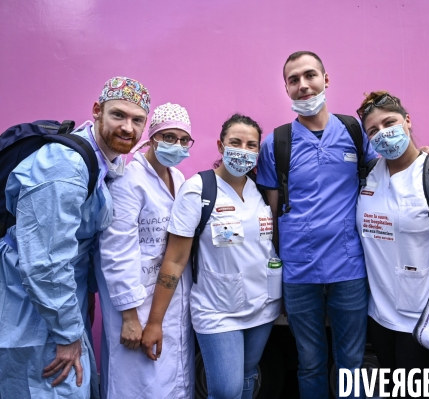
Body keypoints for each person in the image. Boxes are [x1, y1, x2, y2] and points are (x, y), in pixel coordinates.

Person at [256, 51, 429, 398]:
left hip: (350, 270)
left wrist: (425, 158)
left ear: (325, 80)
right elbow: (271, 211)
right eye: (293, 80)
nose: (303, 85)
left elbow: (393, 166)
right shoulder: (275, 143)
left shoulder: (354, 132)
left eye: (310, 75)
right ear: (286, 88)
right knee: (309, 363)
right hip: (299, 273)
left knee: (351, 364)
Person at [0, 76, 150, 399]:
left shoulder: (107, 162)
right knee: (48, 387)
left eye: (137, 120)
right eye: (118, 115)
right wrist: (67, 332)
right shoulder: (65, 166)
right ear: (97, 111)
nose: (128, 127)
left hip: (60, 303)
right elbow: (44, 262)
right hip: (30, 306)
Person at [141, 114, 281, 399]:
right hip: (218, 309)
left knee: (247, 375)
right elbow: (175, 260)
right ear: (220, 145)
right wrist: (155, 321)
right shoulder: (198, 190)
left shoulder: (261, 192)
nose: (243, 150)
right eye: (235, 142)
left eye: (251, 145)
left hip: (263, 305)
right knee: (225, 390)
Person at [355, 90, 429, 396]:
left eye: (389, 122)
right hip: (380, 316)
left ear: (407, 121)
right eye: (373, 130)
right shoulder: (368, 176)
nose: (383, 133)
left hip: (424, 320)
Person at [96, 103, 195, 398]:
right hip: (136, 306)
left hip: (169, 301)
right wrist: (130, 317)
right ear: (151, 137)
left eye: (182, 139)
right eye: (168, 137)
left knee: (171, 381)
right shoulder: (128, 180)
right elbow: (116, 252)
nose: (176, 145)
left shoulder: (177, 178)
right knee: (138, 384)